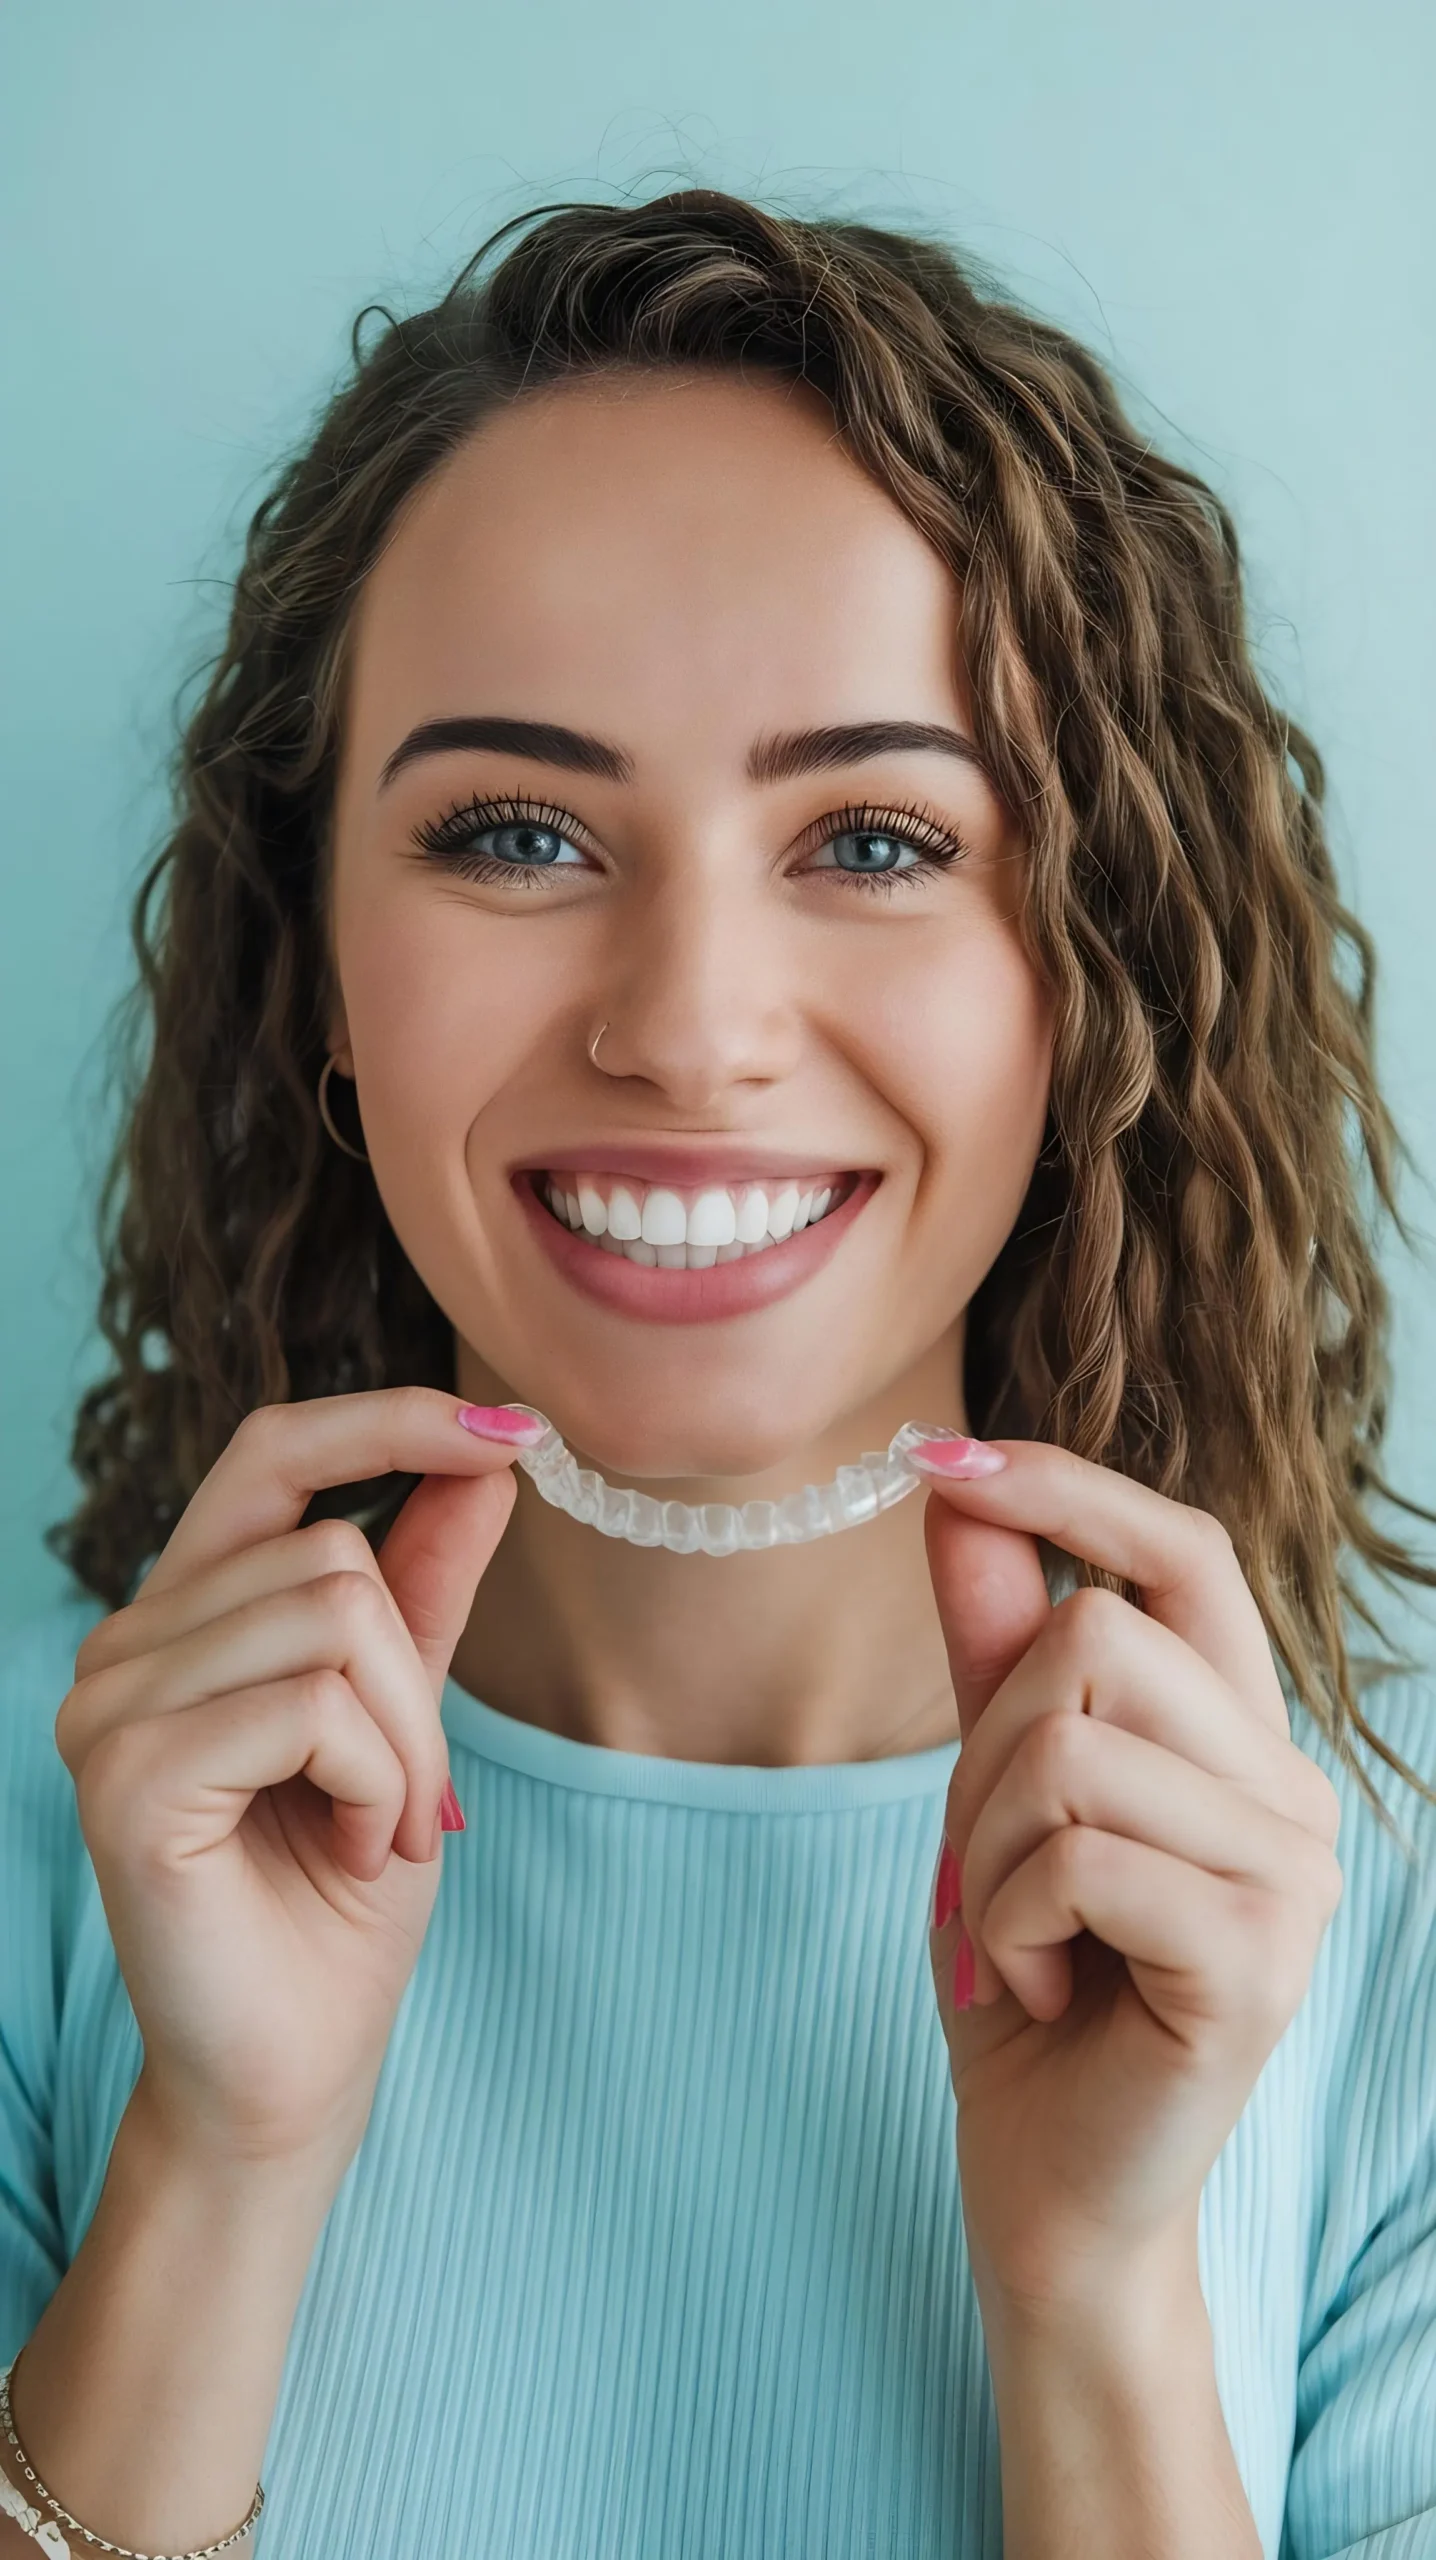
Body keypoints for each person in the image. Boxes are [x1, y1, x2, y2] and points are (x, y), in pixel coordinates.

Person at [0, 187, 1433, 2560]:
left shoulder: (1369, 1917)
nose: (682, 1026)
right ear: (320, 976)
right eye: (516, 831)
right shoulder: (54, 1842)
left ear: (1085, 978)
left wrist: (1092, 2305)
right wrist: (215, 2170)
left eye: (871, 833)